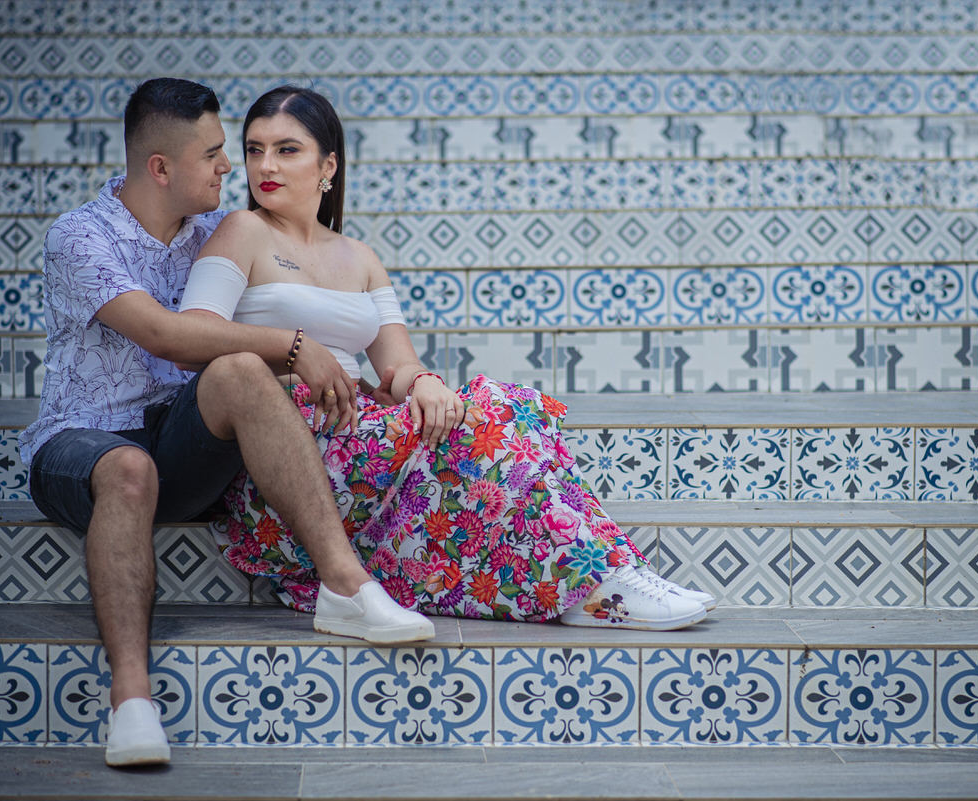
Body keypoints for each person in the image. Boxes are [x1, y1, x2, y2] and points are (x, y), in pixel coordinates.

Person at [179, 85, 715, 632]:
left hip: (358, 437)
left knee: (492, 411)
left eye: (286, 149)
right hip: (291, 458)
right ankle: (605, 581)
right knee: (498, 412)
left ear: (328, 164)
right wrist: (295, 351)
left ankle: (611, 575)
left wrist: (426, 382)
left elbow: (397, 365)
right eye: (253, 149)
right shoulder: (241, 231)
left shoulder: (359, 257)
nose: (265, 165)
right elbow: (194, 335)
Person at [19, 78, 434, 768]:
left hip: (185, 439)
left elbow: (296, 284)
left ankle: (346, 586)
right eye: (218, 154)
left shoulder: (222, 230)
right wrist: (297, 347)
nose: (234, 169)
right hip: (85, 440)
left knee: (239, 372)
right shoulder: (80, 237)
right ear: (161, 168)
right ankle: (132, 701)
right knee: (130, 467)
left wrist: (385, 373)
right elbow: (166, 336)